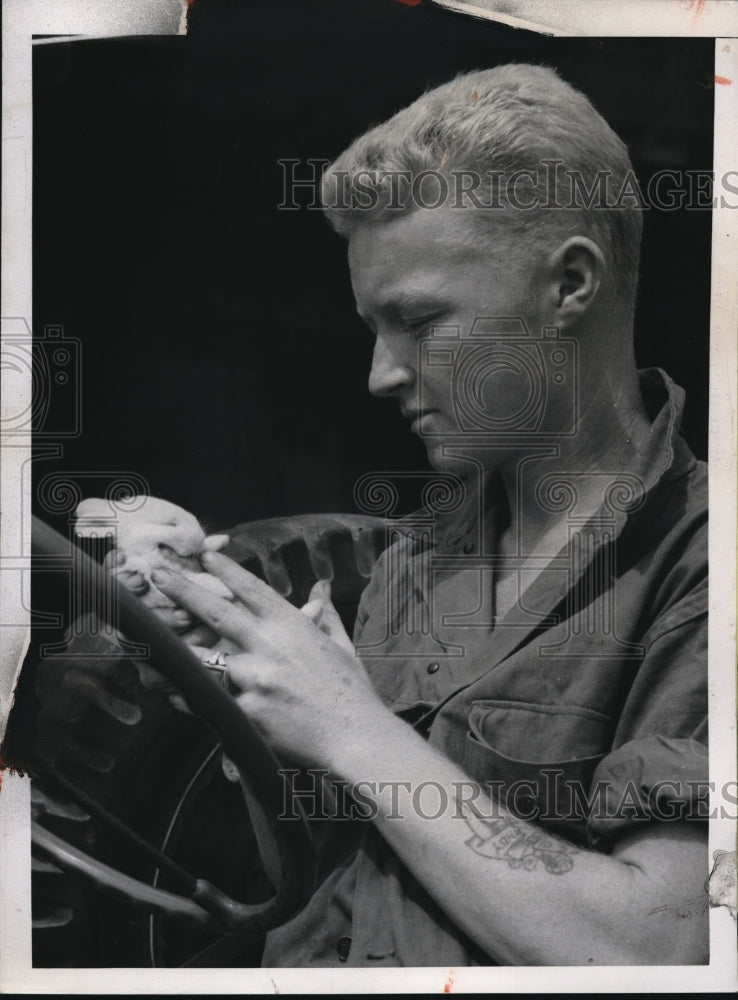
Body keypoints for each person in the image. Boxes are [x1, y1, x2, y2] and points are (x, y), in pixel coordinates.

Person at [139, 65, 709, 966]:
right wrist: (249, 695)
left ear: (570, 283)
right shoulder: (416, 561)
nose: (381, 374)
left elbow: (660, 949)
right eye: (374, 327)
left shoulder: (702, 571)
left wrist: (347, 727)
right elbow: (324, 879)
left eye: (421, 321)